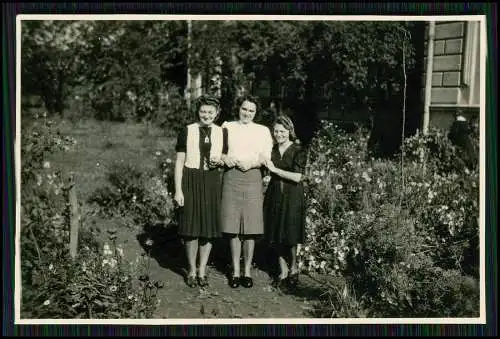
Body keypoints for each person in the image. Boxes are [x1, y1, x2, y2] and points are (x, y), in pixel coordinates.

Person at [220, 95, 274, 288]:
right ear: (238, 108)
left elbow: (266, 156)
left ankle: (247, 271)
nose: (247, 113)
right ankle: (235, 271)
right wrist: (225, 158)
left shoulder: (262, 131)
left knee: (250, 228)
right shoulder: (227, 127)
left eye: (251, 110)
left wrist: (252, 163)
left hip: (253, 176)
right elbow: (220, 151)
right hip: (232, 176)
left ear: (256, 112)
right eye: (244, 109)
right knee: (233, 226)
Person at [174, 95, 225, 288]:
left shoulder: (221, 132)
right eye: (203, 111)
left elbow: (225, 156)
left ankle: (203, 270)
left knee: (208, 229)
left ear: (216, 113)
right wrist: (178, 190)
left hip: (211, 180)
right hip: (191, 179)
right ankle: (191, 270)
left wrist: (220, 160)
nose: (206, 115)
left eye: (210, 112)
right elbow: (179, 162)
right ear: (198, 112)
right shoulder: (187, 130)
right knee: (191, 228)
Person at [262, 115, 307, 288]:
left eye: (282, 131)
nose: (279, 134)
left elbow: (297, 177)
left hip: (292, 194)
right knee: (276, 233)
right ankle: (283, 271)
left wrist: (275, 170)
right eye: (276, 131)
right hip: (275, 193)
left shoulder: (298, 150)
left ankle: (294, 267)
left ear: (289, 131)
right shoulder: (272, 150)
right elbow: (267, 170)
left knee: (290, 232)